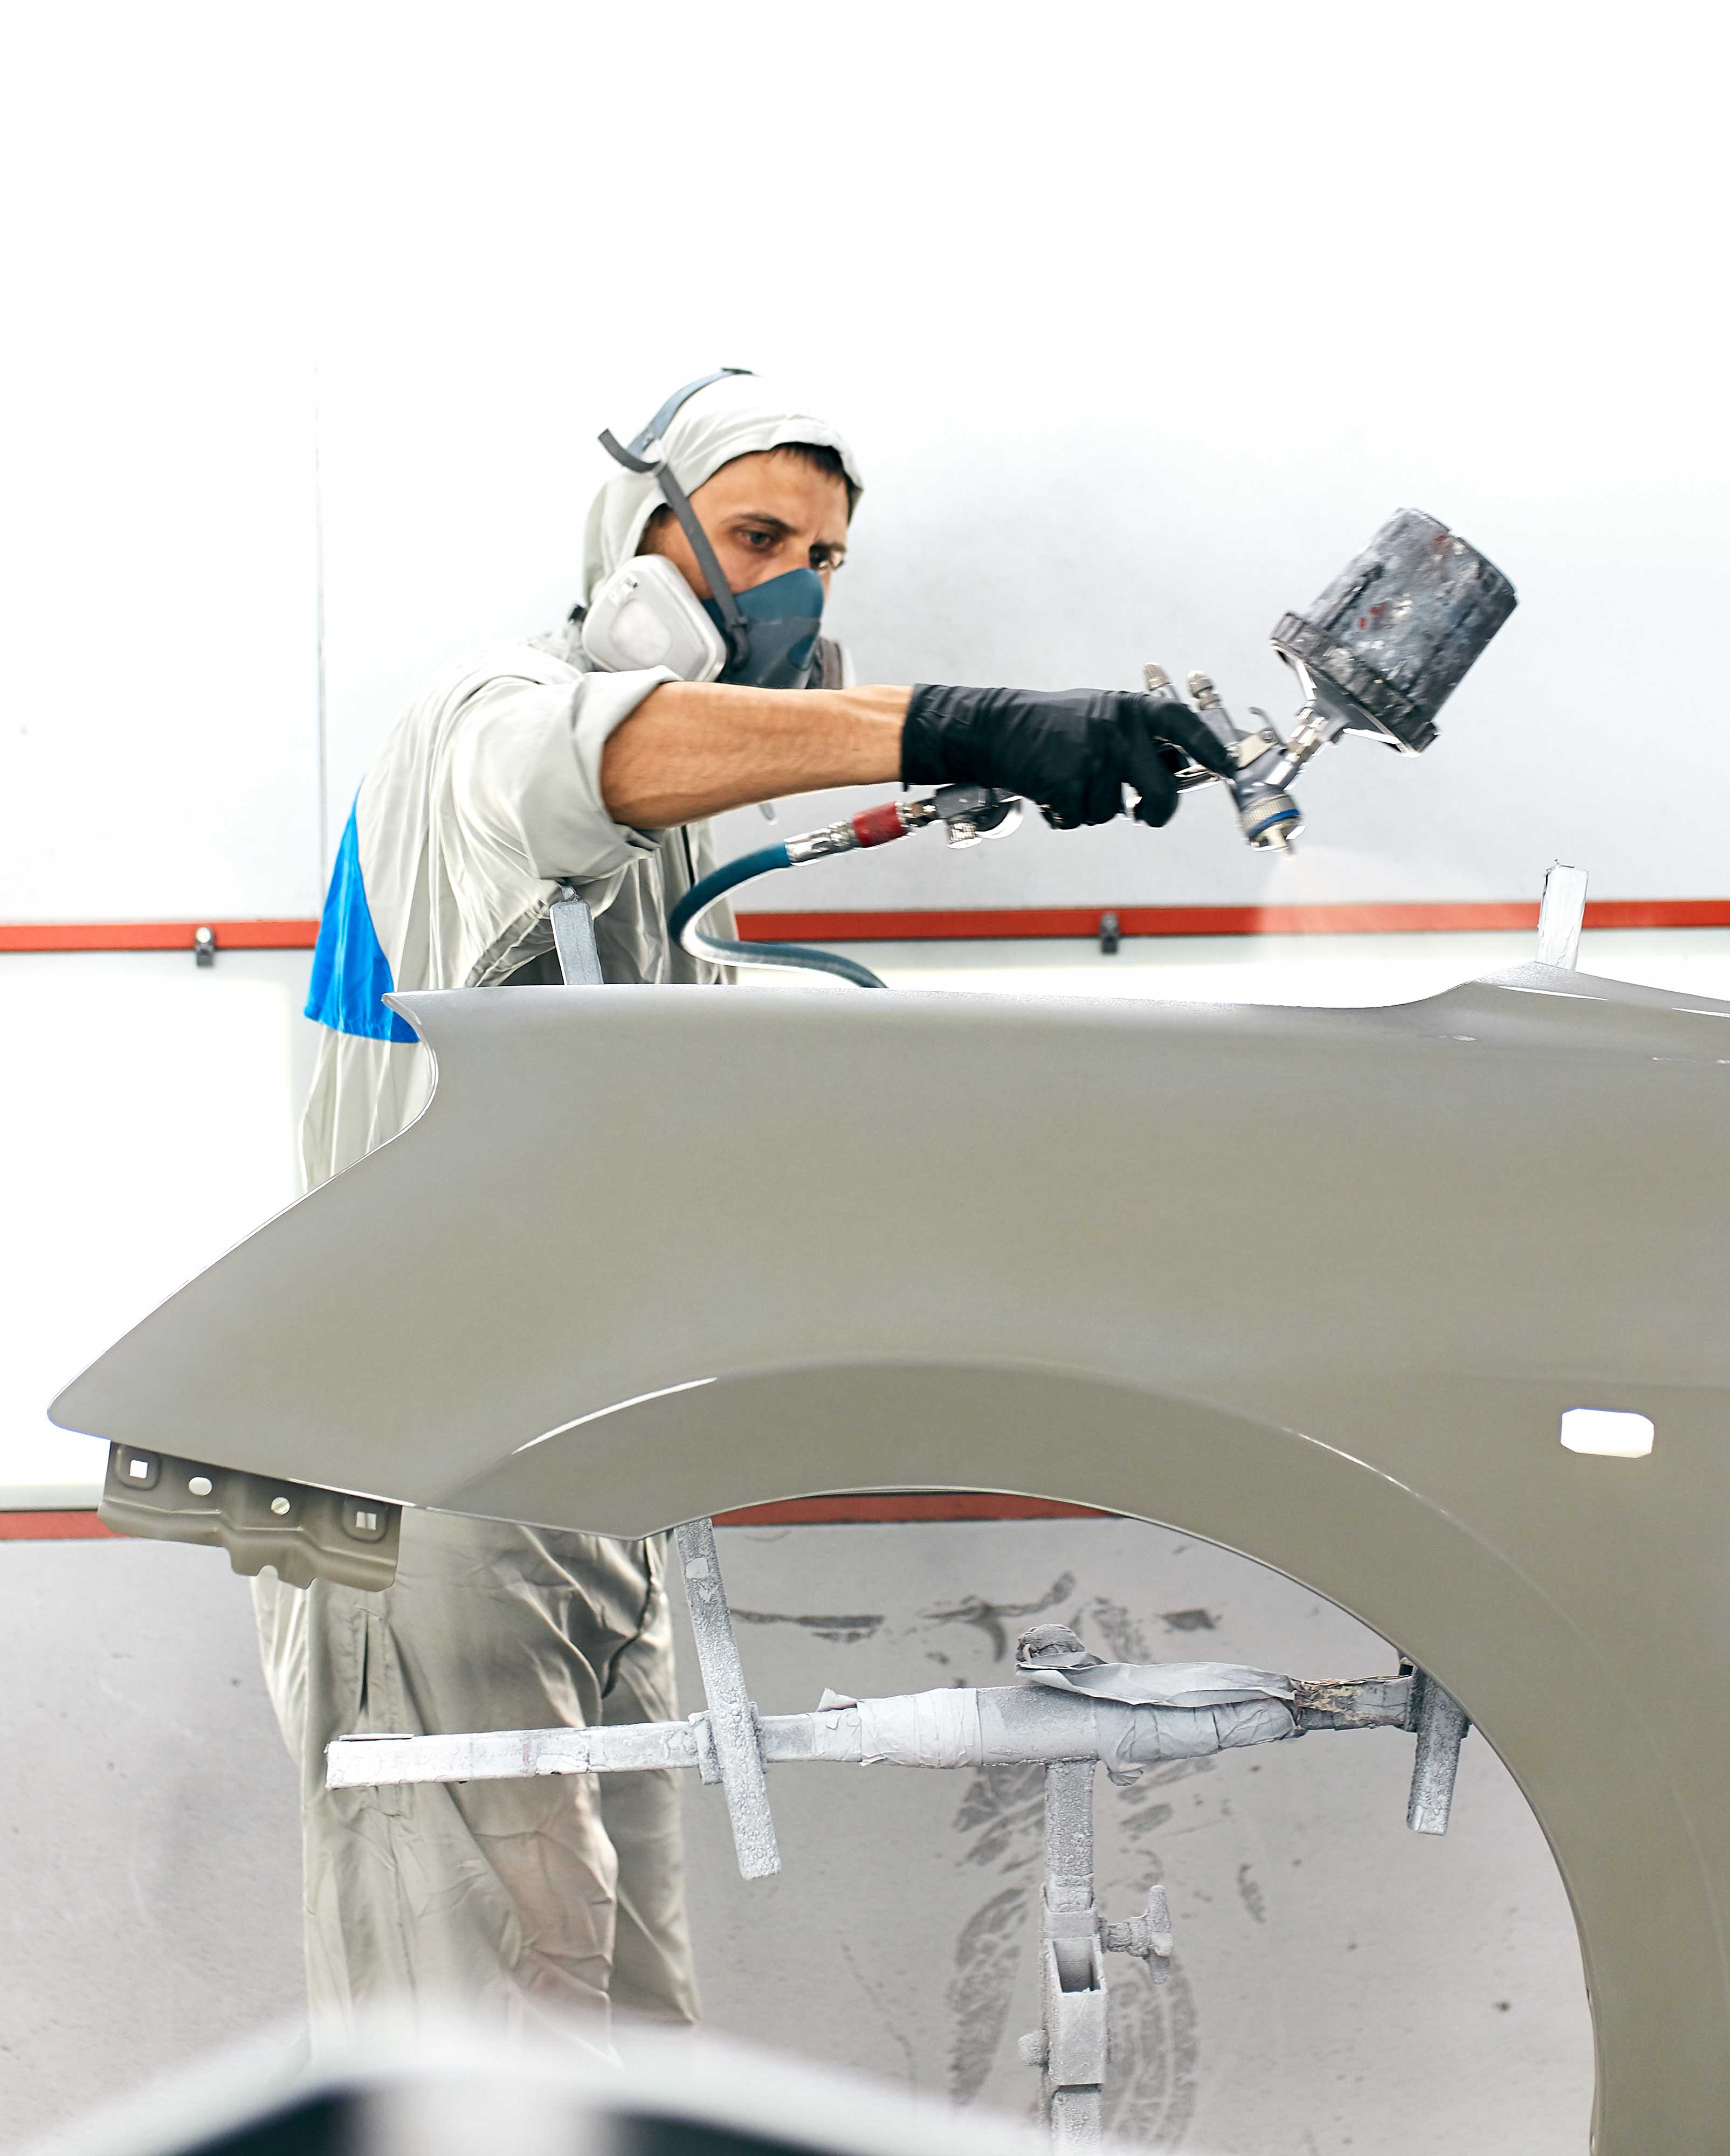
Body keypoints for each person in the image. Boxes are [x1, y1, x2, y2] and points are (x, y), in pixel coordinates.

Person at [253, 370, 1232, 2048]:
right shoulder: (486, 719)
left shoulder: (658, 876)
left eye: (825, 559)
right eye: (758, 537)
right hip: (413, 1475)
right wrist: (955, 723)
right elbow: (600, 754)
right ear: (634, 539)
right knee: (480, 2039)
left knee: (628, 2026)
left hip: (581, 1485)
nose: (793, 587)